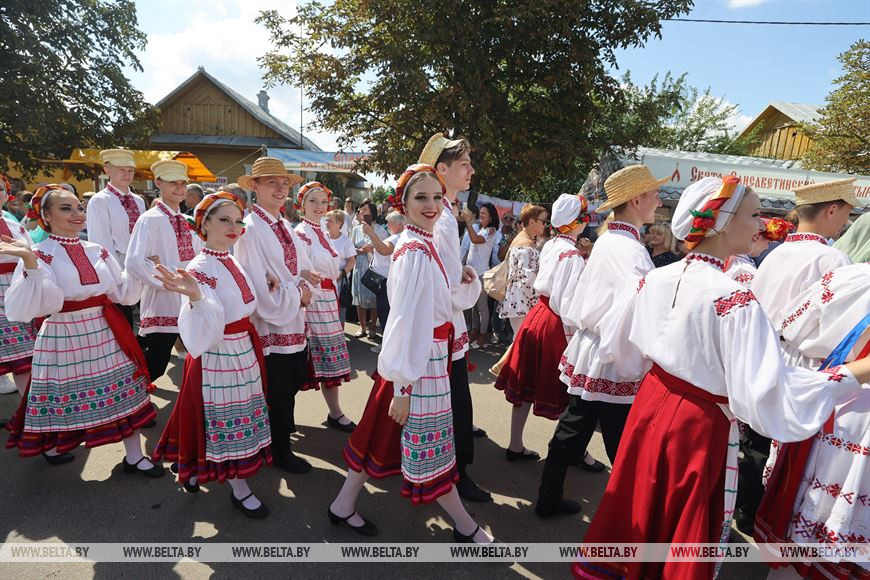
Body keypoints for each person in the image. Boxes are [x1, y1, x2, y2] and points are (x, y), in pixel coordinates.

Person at [572, 176, 870, 580]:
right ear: (723, 222)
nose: (760, 224)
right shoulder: (733, 298)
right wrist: (852, 374)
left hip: (651, 405)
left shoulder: (656, 278)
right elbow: (768, 393)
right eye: (752, 215)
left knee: (641, 502)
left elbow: (618, 349)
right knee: (680, 522)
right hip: (698, 424)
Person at [331, 164, 494, 543]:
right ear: (402, 203)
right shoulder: (415, 250)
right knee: (431, 447)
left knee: (379, 434)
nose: (433, 204)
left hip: (422, 360)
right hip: (418, 365)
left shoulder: (423, 242)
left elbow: (437, 304)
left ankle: (342, 504)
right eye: (421, 197)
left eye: (437, 197)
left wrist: (464, 279)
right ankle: (466, 527)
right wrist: (402, 388)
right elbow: (404, 323)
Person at [2, 185, 161, 474]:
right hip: (62, 333)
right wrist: (30, 263)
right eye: (66, 208)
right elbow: (38, 305)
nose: (77, 213)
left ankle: (135, 456)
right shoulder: (40, 253)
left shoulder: (96, 250)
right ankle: (51, 446)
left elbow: (122, 294)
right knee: (60, 395)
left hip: (104, 328)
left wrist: (142, 268)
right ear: (45, 217)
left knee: (124, 389)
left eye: (79, 207)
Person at [539, 165, 664, 518]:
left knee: (577, 426)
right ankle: (631, 518)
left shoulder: (613, 240)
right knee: (622, 440)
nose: (658, 199)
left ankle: (550, 497)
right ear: (636, 199)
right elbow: (637, 308)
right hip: (612, 353)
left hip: (598, 349)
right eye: (653, 194)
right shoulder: (628, 248)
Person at [737, 178, 857, 533]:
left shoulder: (776, 253)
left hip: (762, 351)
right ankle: (769, 513)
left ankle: (745, 508)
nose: (844, 224)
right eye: (845, 215)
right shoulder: (833, 258)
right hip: (802, 362)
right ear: (830, 210)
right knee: (787, 447)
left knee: (756, 439)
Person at [152, 192, 272, 517]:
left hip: (242, 349)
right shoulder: (201, 267)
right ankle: (238, 487)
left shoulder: (229, 258)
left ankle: (189, 465)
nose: (233, 227)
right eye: (224, 220)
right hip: (220, 354)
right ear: (204, 224)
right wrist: (196, 297)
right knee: (224, 418)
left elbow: (243, 303)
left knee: (211, 415)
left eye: (236, 221)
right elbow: (204, 322)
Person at [755, 261, 870, 580]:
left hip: (833, 400)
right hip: (842, 403)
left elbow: (792, 325)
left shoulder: (850, 276)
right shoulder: (850, 274)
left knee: (809, 508)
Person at [419, 133, 490, 502]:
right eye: (464, 164)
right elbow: (446, 288)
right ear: (441, 170)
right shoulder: (443, 219)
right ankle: (456, 474)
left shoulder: (446, 214)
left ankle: (452, 470)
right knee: (454, 401)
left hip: (447, 324)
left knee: (452, 400)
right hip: (444, 324)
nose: (471, 170)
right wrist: (473, 281)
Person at [234, 158, 315, 475]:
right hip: (272, 321)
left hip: (292, 315)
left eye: (284, 183)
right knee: (279, 388)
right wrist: (296, 294)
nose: (281, 188)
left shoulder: (283, 225)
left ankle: (276, 438)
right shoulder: (252, 229)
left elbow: (298, 269)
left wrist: (302, 286)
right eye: (272, 182)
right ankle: (279, 448)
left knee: (292, 380)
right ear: (254, 187)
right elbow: (257, 283)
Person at [496, 194, 589, 461]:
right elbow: (567, 303)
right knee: (566, 391)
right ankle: (577, 452)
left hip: (537, 316)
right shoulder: (571, 255)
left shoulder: (550, 245)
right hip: (554, 323)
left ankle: (515, 445)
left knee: (526, 385)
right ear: (576, 223)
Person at [125, 160, 202, 383]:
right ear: (158, 182)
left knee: (198, 357)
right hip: (163, 300)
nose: (179, 188)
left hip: (190, 298)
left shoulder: (188, 221)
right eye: (173, 183)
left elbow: (197, 257)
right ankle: (131, 401)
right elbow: (135, 262)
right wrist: (170, 276)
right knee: (156, 361)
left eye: (182, 184)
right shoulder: (149, 219)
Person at [295, 182, 354, 431]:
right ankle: (277, 416)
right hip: (314, 301)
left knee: (328, 359)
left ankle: (335, 412)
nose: (319, 207)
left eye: (323, 202)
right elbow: (298, 269)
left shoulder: (321, 230)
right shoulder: (301, 233)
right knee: (306, 360)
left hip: (328, 297)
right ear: (302, 205)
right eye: (313, 201)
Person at [86, 149, 146, 327]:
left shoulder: (139, 200)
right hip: (117, 265)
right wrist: (113, 273)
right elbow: (100, 241)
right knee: (123, 318)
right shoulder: (99, 200)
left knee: (147, 317)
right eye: (121, 169)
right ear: (107, 170)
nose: (126, 174)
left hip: (141, 264)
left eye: (130, 170)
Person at [497, 204, 547, 335]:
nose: (545, 225)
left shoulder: (521, 239)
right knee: (521, 344)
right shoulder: (526, 244)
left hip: (518, 301)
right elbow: (527, 279)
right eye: (543, 221)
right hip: (523, 303)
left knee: (519, 342)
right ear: (531, 221)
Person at [367, 210, 405, 348]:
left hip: (385, 281)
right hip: (388, 279)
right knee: (387, 313)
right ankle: (390, 345)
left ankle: (388, 347)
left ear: (400, 224)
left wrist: (371, 233)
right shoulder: (398, 236)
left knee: (385, 314)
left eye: (390, 222)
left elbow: (384, 250)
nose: (387, 224)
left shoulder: (396, 238)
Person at [465, 203, 499, 349]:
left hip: (481, 274)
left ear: (491, 217)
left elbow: (475, 240)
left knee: (482, 307)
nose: (481, 215)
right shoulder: (481, 229)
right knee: (473, 306)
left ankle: (482, 335)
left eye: (484, 213)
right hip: (473, 272)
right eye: (480, 213)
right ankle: (474, 331)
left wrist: (467, 222)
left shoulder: (491, 230)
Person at [350, 199, 385, 338]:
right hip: (359, 266)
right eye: (361, 210)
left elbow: (386, 250)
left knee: (373, 299)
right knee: (359, 298)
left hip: (374, 267)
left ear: (372, 213)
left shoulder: (380, 229)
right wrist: (359, 251)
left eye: (365, 210)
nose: (362, 212)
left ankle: (372, 328)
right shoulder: (356, 229)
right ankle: (362, 327)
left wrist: (372, 249)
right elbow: (350, 248)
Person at [325, 209, 356, 327]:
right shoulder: (322, 238)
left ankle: (339, 341)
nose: (327, 223)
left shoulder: (346, 241)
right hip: (323, 282)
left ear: (339, 224)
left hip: (339, 282)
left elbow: (352, 261)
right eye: (326, 220)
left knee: (338, 314)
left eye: (330, 221)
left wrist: (341, 274)